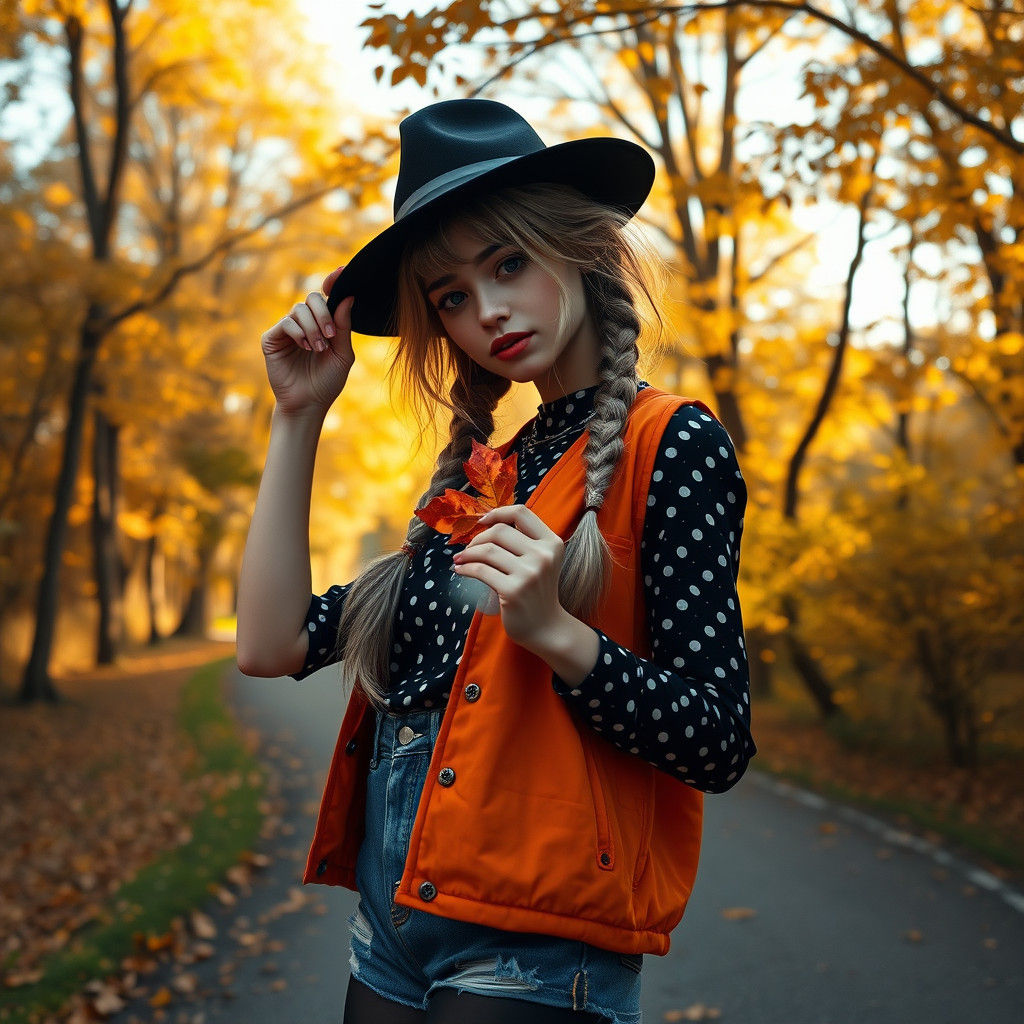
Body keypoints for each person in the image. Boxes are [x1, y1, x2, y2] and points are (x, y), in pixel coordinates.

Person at [236, 98, 756, 1024]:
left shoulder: (669, 444)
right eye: (452, 296)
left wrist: (559, 634)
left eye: (507, 263)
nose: (489, 312)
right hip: (392, 922)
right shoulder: (482, 482)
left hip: (538, 941)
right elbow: (271, 644)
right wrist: (297, 416)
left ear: (579, 248)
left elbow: (717, 740)